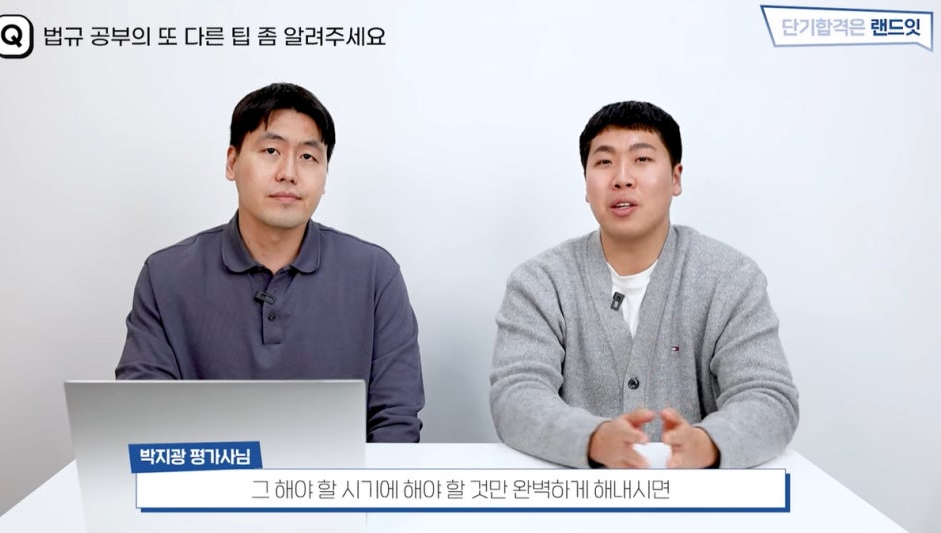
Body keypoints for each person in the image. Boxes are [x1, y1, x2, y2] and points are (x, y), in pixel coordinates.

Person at [489, 101, 799, 468]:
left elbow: (769, 397)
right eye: (604, 162)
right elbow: (516, 395)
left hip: (695, 495)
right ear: (586, 183)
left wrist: (707, 444)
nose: (622, 178)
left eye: (642, 159)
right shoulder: (540, 282)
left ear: (676, 178)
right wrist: (591, 439)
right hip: (577, 494)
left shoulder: (731, 278)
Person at [116, 82, 424, 443]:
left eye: (308, 157)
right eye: (271, 150)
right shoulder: (165, 276)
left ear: (325, 174)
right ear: (232, 162)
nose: (288, 173)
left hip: (340, 481)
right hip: (211, 479)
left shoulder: (375, 275)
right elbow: (145, 421)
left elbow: (396, 425)